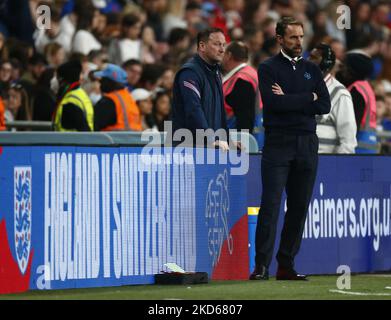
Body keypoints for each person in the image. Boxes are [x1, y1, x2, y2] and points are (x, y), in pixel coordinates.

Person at [250, 17, 331, 281]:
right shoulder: (268, 68)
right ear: (280, 39)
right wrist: (308, 98)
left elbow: (325, 105)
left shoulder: (312, 69)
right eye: (293, 37)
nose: (299, 42)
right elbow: (273, 104)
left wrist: (292, 99)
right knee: (271, 206)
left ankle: (286, 265)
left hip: (307, 143)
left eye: (301, 37)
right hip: (279, 142)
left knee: (299, 207)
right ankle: (261, 266)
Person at [172, 28, 230, 150]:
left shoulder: (216, 72)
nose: (222, 50)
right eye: (217, 44)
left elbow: (220, 112)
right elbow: (193, 109)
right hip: (189, 148)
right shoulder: (189, 73)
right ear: (202, 46)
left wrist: (228, 141)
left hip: (210, 146)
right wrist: (210, 139)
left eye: (223, 45)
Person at [308, 43, 357, 153]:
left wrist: (338, 165)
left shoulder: (340, 93)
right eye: (309, 56)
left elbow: (348, 140)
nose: (307, 60)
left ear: (325, 64)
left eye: (313, 57)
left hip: (325, 162)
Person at [222, 41, 264, 148]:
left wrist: (242, 141)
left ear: (229, 55)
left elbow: (245, 114)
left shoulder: (242, 79)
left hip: (241, 142)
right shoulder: (251, 73)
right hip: (253, 135)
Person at [336, 52, 377, 153]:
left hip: (359, 146)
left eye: (344, 66)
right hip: (369, 143)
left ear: (352, 70)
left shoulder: (356, 90)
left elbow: (352, 123)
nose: (342, 69)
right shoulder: (365, 86)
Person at [93, 63, 142, 131]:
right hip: (131, 140)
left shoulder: (109, 100)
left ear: (109, 81)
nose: (100, 83)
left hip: (114, 140)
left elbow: (94, 124)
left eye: (103, 80)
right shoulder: (127, 96)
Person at [52, 60, 94, 131]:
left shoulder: (71, 102)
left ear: (62, 80)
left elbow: (84, 130)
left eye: (57, 77)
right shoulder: (78, 93)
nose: (54, 80)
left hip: (71, 142)